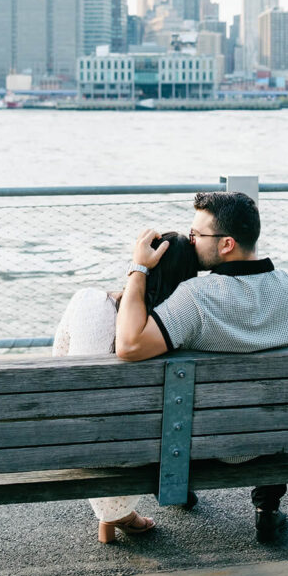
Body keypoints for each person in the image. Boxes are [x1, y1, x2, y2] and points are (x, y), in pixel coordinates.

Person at [116, 190, 288, 542]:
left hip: (208, 445)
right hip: (273, 437)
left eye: (197, 235)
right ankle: (267, 510)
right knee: (275, 402)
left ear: (226, 244)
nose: (191, 241)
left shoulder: (195, 298)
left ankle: (179, 488)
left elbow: (130, 345)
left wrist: (138, 269)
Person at [52, 231, 198, 543]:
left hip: (77, 442)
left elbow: (60, 362)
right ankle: (118, 514)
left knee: (98, 416)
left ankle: (114, 517)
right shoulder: (178, 331)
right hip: (143, 453)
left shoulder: (87, 301)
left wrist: (137, 267)